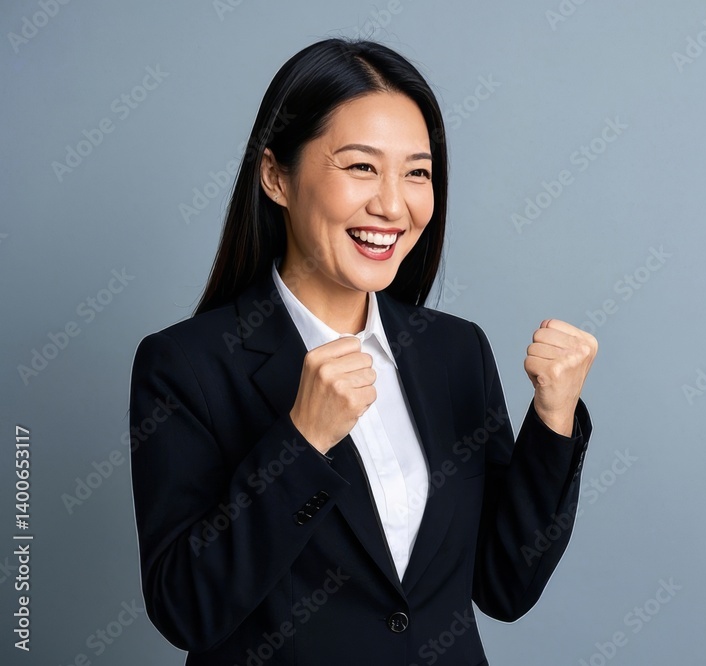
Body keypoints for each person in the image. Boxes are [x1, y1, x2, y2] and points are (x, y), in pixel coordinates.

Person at [128, 37, 597, 665]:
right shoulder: (185, 367)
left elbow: (504, 586)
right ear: (276, 176)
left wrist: (555, 421)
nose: (393, 205)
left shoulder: (456, 351)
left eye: (417, 172)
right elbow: (187, 609)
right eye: (361, 167)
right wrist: (301, 442)